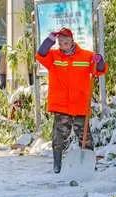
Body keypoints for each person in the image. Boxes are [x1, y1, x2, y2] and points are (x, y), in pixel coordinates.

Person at [35, 27, 108, 173]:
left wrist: (99, 60)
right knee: (58, 136)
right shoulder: (53, 56)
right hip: (61, 105)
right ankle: (57, 165)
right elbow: (40, 54)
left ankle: (89, 164)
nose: (64, 43)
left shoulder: (86, 56)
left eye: (66, 40)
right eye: (61, 41)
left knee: (85, 137)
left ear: (72, 40)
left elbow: (100, 70)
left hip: (80, 104)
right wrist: (50, 39)